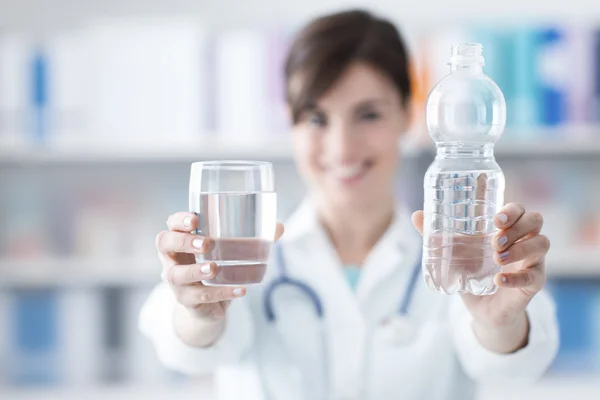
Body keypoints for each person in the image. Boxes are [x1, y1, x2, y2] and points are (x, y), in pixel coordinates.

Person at [140, 9, 559, 400]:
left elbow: (520, 366)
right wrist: (198, 311)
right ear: (291, 122)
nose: (342, 149)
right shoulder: (238, 252)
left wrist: (497, 322)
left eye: (368, 115)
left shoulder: (468, 253)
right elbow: (182, 349)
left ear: (408, 115)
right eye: (317, 119)